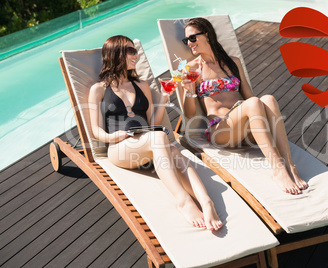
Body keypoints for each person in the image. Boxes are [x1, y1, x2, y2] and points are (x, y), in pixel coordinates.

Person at [88, 35, 222, 231]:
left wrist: (165, 96)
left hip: (147, 143)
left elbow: (153, 123)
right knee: (161, 139)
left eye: (135, 51)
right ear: (116, 54)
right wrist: (113, 137)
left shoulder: (142, 85)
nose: (136, 56)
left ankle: (207, 202)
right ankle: (183, 200)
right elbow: (96, 130)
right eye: (131, 52)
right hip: (119, 148)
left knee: (176, 154)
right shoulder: (98, 89)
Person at [180, 18, 308, 195]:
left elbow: (249, 96)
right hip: (221, 130)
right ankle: (277, 168)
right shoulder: (192, 69)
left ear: (207, 35)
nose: (189, 44)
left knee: (268, 99)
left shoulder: (232, 62)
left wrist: (264, 116)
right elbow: (189, 114)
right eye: (186, 40)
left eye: (192, 38)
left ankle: (289, 165)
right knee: (254, 103)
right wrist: (188, 91)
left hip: (245, 127)